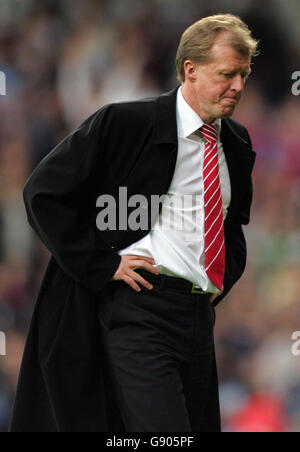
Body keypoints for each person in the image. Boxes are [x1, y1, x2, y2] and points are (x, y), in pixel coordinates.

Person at [10, 14, 258, 432]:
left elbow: (233, 224)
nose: (238, 85)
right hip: (139, 309)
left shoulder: (236, 142)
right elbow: (43, 192)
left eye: (244, 75)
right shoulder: (126, 123)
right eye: (227, 74)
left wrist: (221, 278)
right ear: (190, 70)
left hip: (197, 316)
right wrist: (102, 265)